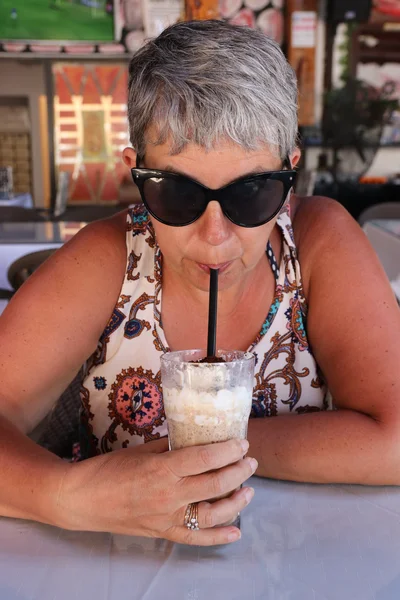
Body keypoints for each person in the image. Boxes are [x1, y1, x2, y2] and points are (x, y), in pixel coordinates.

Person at [0, 20, 399, 547]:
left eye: (253, 192)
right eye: (178, 195)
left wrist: (207, 445)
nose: (215, 237)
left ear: (291, 173)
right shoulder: (108, 256)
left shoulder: (318, 240)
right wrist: (65, 497)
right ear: (136, 174)